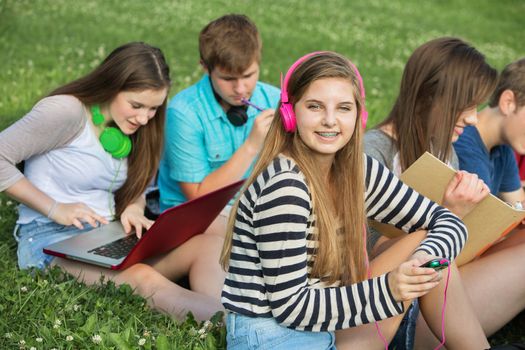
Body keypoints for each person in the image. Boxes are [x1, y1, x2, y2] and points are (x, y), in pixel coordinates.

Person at [220, 51, 491, 350]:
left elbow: (446, 220)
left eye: (344, 108)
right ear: (290, 113)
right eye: (315, 106)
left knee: (422, 242)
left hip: (324, 326)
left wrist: (422, 260)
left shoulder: (357, 170)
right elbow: (291, 307)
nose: (330, 121)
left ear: (359, 116)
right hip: (272, 336)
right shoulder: (285, 185)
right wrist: (388, 289)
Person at [0, 42, 223, 321]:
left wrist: (133, 207)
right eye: (136, 105)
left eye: (153, 109)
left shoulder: (132, 127)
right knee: (143, 279)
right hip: (50, 239)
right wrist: (55, 208)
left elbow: (139, 185)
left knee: (208, 245)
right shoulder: (66, 112)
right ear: (111, 85)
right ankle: (248, 329)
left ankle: (231, 316)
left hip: (107, 235)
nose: (144, 118)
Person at [364, 37, 525, 349]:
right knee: (437, 251)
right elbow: (359, 255)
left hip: (441, 293)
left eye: (475, 107)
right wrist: (447, 215)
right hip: (392, 309)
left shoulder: (445, 151)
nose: (472, 118)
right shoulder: (372, 152)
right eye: (464, 107)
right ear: (430, 98)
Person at [158, 13, 280, 211]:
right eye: (228, 79)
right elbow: (198, 198)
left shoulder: (274, 99)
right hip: (199, 215)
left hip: (255, 209)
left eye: (248, 75)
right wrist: (251, 146)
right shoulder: (183, 113)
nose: (240, 89)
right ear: (205, 68)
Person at [454, 58, 525, 206]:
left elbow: (520, 205)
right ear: (508, 102)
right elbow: (482, 223)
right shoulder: (464, 147)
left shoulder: (502, 149)